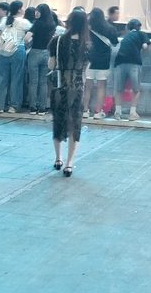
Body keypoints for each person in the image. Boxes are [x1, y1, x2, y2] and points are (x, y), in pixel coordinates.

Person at [48, 10, 90, 177]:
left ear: (69, 22)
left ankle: (58, 158)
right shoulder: (87, 45)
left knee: (58, 122)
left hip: (60, 87)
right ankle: (69, 163)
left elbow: (51, 65)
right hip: (78, 88)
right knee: (75, 124)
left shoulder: (57, 41)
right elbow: (85, 70)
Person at [0, 0, 31, 114]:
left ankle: (0, 106)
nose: (24, 9)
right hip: (18, 50)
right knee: (16, 79)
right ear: (19, 9)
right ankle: (13, 106)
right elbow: (29, 37)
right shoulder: (24, 22)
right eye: (22, 7)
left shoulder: (4, 20)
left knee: (2, 78)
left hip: (3, 51)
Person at [83, 7, 118, 119]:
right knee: (101, 87)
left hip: (90, 59)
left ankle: (85, 110)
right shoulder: (110, 28)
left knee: (88, 86)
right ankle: (98, 112)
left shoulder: (87, 28)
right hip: (104, 60)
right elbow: (115, 42)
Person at [113, 18, 151, 121]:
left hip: (119, 62)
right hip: (134, 62)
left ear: (128, 28)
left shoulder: (126, 36)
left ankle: (117, 112)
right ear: (139, 27)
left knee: (119, 89)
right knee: (136, 89)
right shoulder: (141, 34)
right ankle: (132, 113)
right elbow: (145, 46)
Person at [24, 3, 56, 116]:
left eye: (38, 11)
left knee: (33, 82)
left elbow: (26, 38)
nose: (36, 13)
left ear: (42, 12)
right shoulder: (52, 24)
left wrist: (27, 43)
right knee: (43, 82)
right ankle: (42, 108)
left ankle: (33, 107)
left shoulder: (37, 23)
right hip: (47, 53)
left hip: (35, 52)